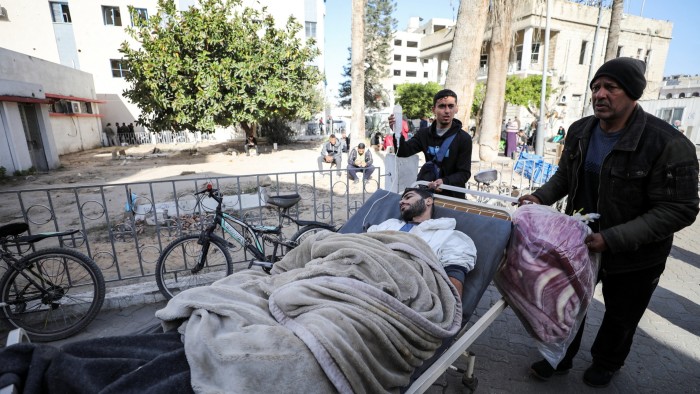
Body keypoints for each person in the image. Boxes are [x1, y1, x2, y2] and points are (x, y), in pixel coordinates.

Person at [518, 57, 699, 388]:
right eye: (595, 87)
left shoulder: (669, 144)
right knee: (568, 304)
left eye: (610, 87)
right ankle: (559, 355)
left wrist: (613, 238)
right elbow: (565, 176)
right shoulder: (580, 130)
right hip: (580, 243)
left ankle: (607, 362)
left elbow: (679, 209)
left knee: (621, 315)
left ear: (631, 93)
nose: (599, 94)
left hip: (636, 255)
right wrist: (539, 197)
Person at [368, 186, 476, 297]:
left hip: (398, 287)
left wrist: (453, 309)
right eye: (401, 200)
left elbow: (455, 271)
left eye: (408, 197)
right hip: (367, 269)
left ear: (428, 201)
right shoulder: (389, 224)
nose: (401, 202)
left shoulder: (447, 235)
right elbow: (362, 242)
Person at [389, 89, 473, 199]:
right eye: (442, 106)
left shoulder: (464, 138)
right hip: (428, 196)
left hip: (453, 198)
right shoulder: (424, 134)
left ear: (456, 108)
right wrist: (396, 131)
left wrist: (444, 182)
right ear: (434, 109)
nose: (447, 111)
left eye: (451, 106)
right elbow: (403, 152)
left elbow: (464, 173)